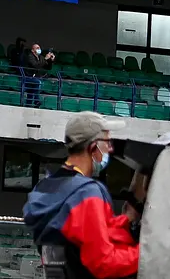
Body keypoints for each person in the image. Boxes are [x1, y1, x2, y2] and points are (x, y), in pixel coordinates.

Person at [23, 112, 139, 279]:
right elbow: (103, 263)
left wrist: (126, 219)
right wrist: (146, 252)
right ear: (93, 147)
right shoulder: (87, 193)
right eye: (107, 142)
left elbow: (78, 233)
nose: (110, 149)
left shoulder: (44, 186)